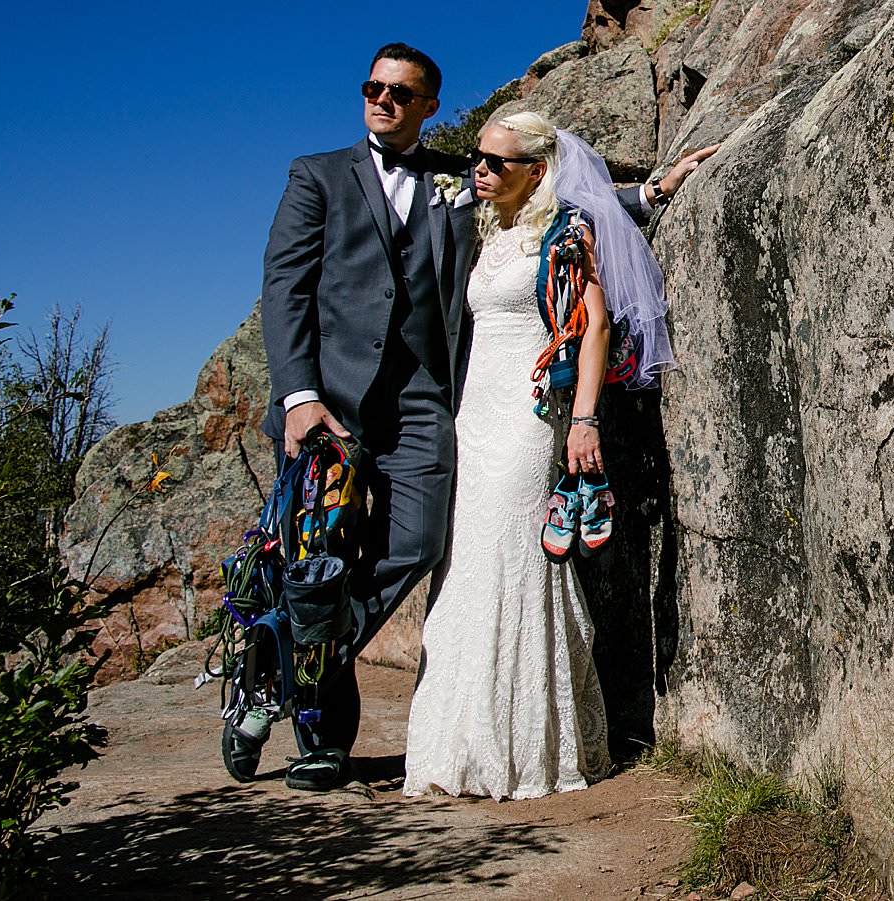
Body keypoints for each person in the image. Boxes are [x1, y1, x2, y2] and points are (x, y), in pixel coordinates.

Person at [402, 110, 675, 799]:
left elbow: (594, 328)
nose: (481, 170)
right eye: (478, 159)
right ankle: (457, 744)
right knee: (466, 565)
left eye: (497, 162)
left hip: (529, 419)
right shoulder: (484, 230)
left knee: (516, 558)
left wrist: (583, 420)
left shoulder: (568, 231)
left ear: (536, 169)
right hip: (473, 418)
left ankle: (532, 750)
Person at [250, 42, 475, 792]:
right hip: (329, 404)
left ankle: (283, 647)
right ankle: (324, 743)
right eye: (373, 87)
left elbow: (539, 198)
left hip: (420, 397)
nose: (382, 100)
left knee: (417, 540)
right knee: (325, 564)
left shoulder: (453, 179)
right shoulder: (316, 175)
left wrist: (647, 192)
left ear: (428, 106)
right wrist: (297, 394)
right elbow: (284, 287)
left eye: (400, 93)